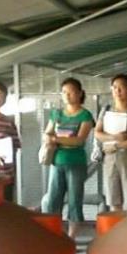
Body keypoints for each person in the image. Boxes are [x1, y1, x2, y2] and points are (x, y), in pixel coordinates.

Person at [40, 77, 94, 238]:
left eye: (70, 92)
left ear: (79, 93)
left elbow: (79, 140)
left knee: (74, 201)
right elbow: (47, 133)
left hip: (76, 162)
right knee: (53, 199)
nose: (67, 95)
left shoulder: (85, 115)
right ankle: (55, 236)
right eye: (64, 92)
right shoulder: (56, 114)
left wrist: (56, 139)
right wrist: (50, 138)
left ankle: (71, 238)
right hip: (57, 161)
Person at [94, 74, 127, 211]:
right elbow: (97, 133)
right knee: (113, 200)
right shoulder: (106, 110)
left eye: (121, 87)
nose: (117, 91)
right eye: (115, 87)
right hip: (109, 159)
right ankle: (116, 224)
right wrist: (114, 137)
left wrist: (116, 145)